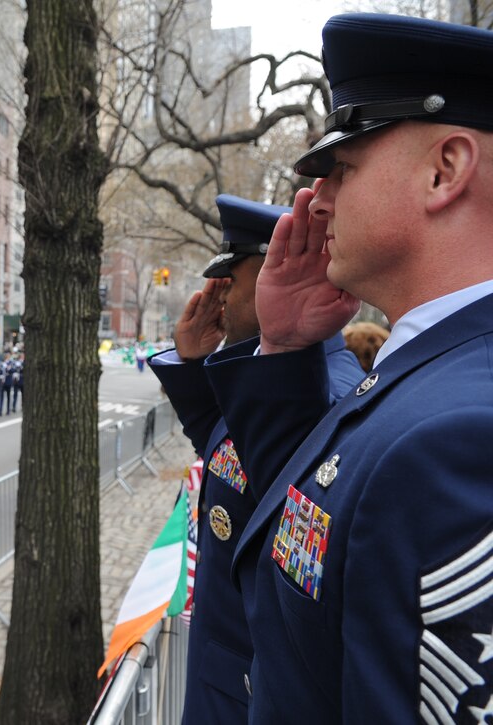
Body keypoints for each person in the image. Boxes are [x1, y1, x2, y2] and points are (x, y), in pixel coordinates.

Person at [200, 15, 493, 722]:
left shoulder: (459, 435)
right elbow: (306, 543)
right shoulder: (427, 377)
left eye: (342, 168)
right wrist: (287, 348)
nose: (316, 199)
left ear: (444, 169)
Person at [148, 195, 363, 723]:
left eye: (231, 282)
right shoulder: (270, 381)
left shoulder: (322, 397)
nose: (215, 298)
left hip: (248, 690)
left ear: (284, 276)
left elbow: (278, 497)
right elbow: (231, 462)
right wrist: (194, 367)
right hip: (220, 678)